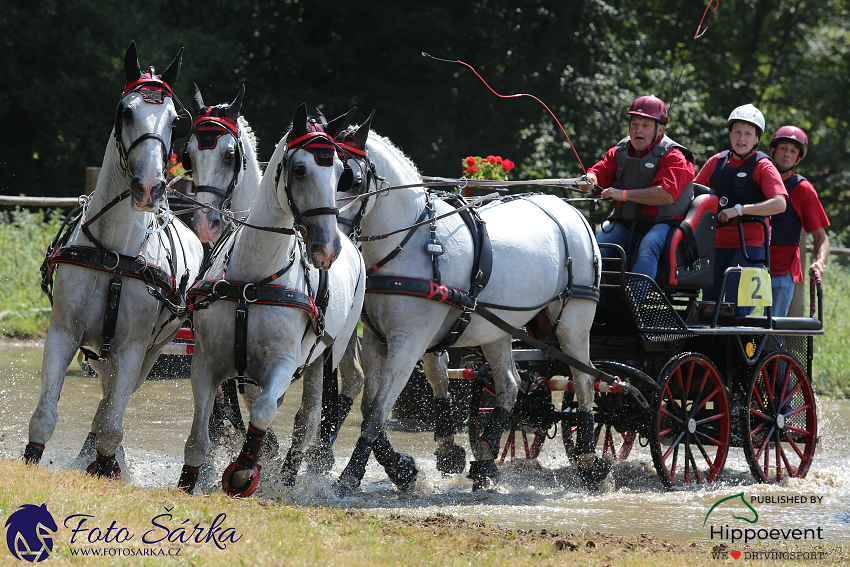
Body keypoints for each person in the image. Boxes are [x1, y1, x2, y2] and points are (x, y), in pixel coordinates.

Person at [580, 95, 695, 280]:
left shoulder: (675, 157)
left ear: (660, 129)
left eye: (645, 125)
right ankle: (594, 301)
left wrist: (622, 195)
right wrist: (590, 180)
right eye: (634, 124)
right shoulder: (619, 151)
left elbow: (665, 195)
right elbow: (600, 172)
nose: (638, 130)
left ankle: (637, 301)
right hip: (626, 223)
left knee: (648, 245)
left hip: (665, 224)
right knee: (596, 246)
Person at [693, 104, 787, 316]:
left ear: (756, 139)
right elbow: (694, 194)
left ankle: (740, 344)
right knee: (708, 307)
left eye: (748, 133)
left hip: (750, 244)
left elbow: (780, 203)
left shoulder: (763, 165)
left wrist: (739, 210)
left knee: (737, 305)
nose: (741, 138)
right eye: (737, 132)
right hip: (716, 240)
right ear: (729, 134)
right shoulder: (716, 162)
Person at [767, 126, 830, 317]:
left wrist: (820, 262)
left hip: (782, 270)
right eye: (783, 148)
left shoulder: (803, 189)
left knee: (773, 334)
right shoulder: (758, 177)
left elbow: (821, 237)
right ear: (773, 151)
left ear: (798, 159)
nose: (786, 154)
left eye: (793, 151)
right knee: (740, 329)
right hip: (750, 266)